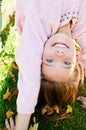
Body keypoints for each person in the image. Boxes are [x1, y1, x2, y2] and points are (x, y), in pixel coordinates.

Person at [14, 0, 86, 130]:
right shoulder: (81, 27)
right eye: (66, 63)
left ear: (40, 55)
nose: (59, 54)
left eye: (50, 60)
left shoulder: (38, 27)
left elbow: (30, 80)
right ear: (76, 58)